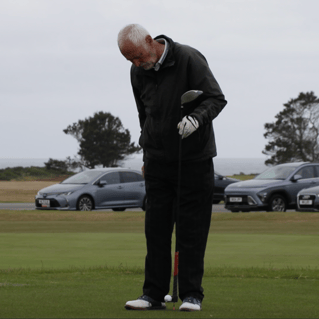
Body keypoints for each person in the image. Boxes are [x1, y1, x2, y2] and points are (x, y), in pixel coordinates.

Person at [117, 24, 227, 312]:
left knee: (191, 229)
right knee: (155, 229)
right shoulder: (137, 71)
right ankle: (153, 295)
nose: (137, 64)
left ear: (151, 42)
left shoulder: (188, 58)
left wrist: (196, 118)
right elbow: (145, 115)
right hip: (157, 160)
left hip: (193, 160)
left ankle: (192, 295)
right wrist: (145, 156)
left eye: (138, 57)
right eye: (131, 61)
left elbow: (216, 98)